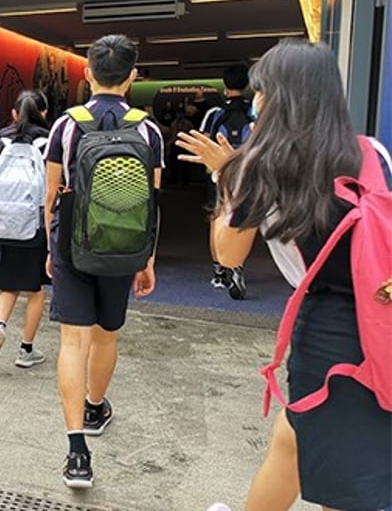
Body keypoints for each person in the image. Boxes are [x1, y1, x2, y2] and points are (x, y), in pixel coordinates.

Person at [176, 39, 392, 511]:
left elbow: (227, 255)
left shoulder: (263, 167)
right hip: (383, 312)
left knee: (344, 480)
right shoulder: (373, 153)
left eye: (261, 92)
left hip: (332, 331)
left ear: (276, 98)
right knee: (295, 439)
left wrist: (224, 178)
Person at [43, 34, 163, 489]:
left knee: (73, 341)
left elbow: (51, 194)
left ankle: (77, 453)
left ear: (88, 74)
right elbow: (152, 200)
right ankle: (96, 407)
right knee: (106, 335)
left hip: (73, 241)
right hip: (125, 243)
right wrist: (147, 258)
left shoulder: (66, 125)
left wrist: (50, 248)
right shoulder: (148, 130)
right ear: (133, 77)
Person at [0, 91, 51, 369]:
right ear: (43, 113)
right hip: (35, 227)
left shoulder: (0, 142)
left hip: (4, 224)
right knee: (35, 289)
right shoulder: (47, 144)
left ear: (14, 114)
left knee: (8, 284)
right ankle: (26, 350)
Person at [198, 63, 252, 298]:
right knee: (242, 217)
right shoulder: (253, 111)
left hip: (219, 173)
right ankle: (237, 265)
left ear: (224, 85)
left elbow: (202, 142)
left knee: (217, 217)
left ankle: (218, 271)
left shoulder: (215, 112)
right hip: (247, 171)